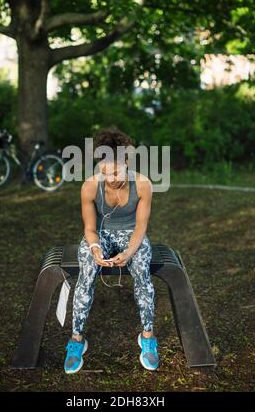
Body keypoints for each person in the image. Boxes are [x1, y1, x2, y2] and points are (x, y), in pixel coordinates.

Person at [64, 126, 158, 374]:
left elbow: (141, 227)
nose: (111, 177)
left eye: (116, 171)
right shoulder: (90, 186)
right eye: (105, 171)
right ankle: (76, 341)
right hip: (101, 236)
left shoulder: (143, 184)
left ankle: (147, 337)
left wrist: (128, 253)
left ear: (127, 162)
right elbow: (90, 228)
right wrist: (95, 248)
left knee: (141, 271)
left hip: (132, 236)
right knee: (86, 269)